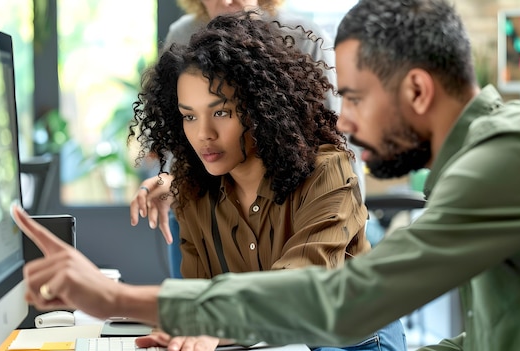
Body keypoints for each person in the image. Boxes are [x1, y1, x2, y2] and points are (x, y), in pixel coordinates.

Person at [14, 1, 520, 350]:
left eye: (354, 98)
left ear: (418, 91)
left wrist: (117, 299)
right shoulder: (483, 162)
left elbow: (345, 299)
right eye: (189, 116)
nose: (346, 121)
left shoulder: (500, 161)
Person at [128, 10, 404, 351]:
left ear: (260, 107)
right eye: (189, 116)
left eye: (221, 112)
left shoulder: (328, 171)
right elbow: (203, 301)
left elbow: (299, 286)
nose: (203, 134)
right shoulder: (194, 192)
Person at [132, 0, 367, 251]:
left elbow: (336, 138)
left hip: (286, 201)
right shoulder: (182, 34)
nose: (224, 1)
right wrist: (171, 180)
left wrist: (351, 213)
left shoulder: (301, 37)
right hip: (209, 200)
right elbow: (179, 130)